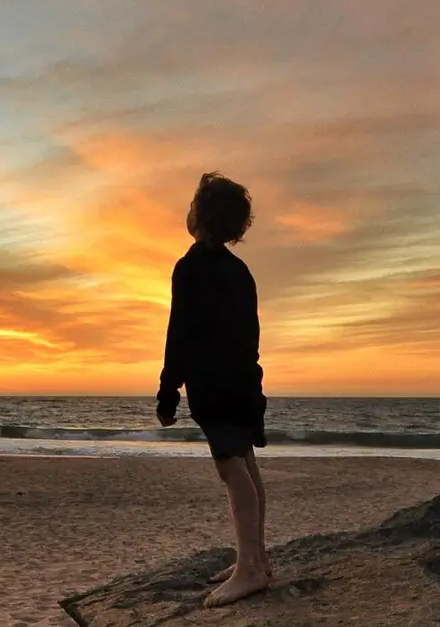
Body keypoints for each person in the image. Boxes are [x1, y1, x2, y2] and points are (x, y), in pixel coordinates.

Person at [156, 171, 270, 607]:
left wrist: (169, 390)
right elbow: (251, 333)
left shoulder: (191, 267)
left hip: (216, 383)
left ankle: (249, 570)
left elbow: (179, 330)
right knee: (246, 463)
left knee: (231, 470)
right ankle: (255, 557)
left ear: (201, 216)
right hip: (245, 381)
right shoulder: (240, 271)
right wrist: (252, 381)